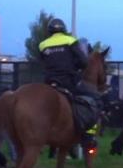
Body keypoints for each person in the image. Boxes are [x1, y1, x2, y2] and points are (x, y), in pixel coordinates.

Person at [38, 18, 96, 148]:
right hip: (68, 81)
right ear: (63, 29)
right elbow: (84, 62)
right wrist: (75, 67)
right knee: (91, 100)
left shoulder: (42, 45)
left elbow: (42, 63)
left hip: (49, 82)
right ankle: (87, 135)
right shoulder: (71, 41)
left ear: (50, 31)